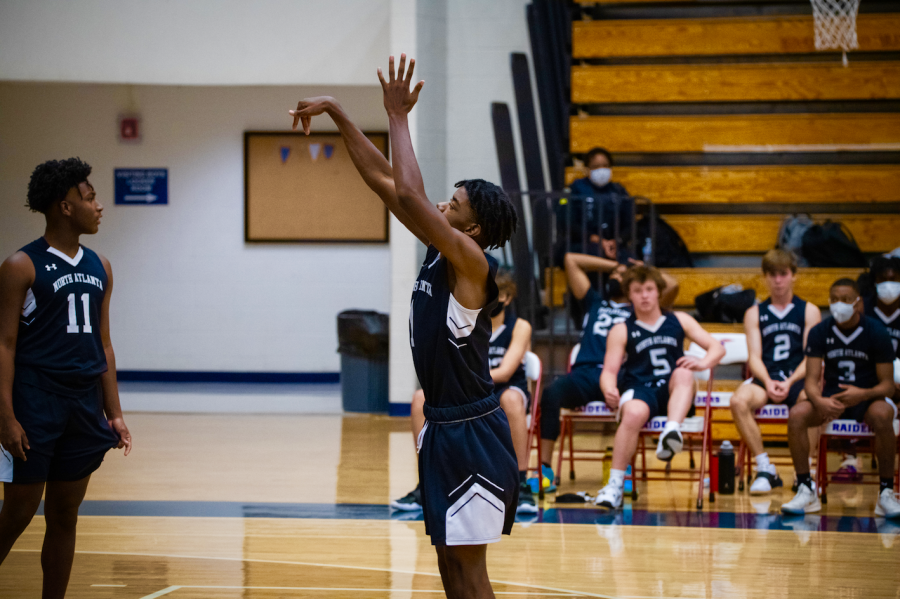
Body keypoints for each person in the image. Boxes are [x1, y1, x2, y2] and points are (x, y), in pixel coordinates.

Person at [290, 54, 520, 598]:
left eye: (456, 203)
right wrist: (342, 114)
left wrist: (397, 116)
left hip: (473, 431)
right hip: (442, 426)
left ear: (474, 227)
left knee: (469, 572)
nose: (444, 203)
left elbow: (413, 195)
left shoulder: (472, 263)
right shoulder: (441, 250)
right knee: (446, 568)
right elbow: (383, 180)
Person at [0, 158, 132, 598]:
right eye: (90, 196)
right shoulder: (21, 265)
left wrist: (114, 412)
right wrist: (6, 417)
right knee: (17, 513)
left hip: (82, 404)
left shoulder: (102, 266)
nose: (98, 206)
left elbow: (105, 344)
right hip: (34, 402)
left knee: (64, 515)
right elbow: (4, 346)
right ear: (65, 206)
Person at [391, 270, 537, 514]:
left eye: (496, 294)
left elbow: (506, 371)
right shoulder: (468, 320)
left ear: (507, 298)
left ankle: (521, 484)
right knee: (419, 399)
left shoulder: (519, 326)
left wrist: (464, 377)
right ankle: (425, 485)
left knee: (511, 400)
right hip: (470, 389)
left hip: (504, 388)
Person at [533, 253, 679, 492]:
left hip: (621, 376)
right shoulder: (595, 302)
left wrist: (639, 270)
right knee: (550, 394)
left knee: (634, 403)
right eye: (612, 275)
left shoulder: (641, 309)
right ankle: (545, 469)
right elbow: (570, 260)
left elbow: (672, 285)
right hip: (585, 374)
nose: (614, 276)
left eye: (620, 276)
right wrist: (617, 265)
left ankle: (624, 470)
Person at [593, 265, 725, 509]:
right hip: (640, 387)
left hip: (676, 390)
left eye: (649, 289)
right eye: (638, 290)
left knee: (684, 372)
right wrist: (609, 389)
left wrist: (702, 362)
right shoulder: (621, 329)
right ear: (629, 295)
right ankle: (614, 486)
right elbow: (609, 371)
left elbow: (717, 348)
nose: (644, 295)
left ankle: (670, 432)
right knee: (632, 413)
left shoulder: (679, 320)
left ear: (658, 292)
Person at [781, 279, 900, 518]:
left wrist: (862, 394)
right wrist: (820, 401)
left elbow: (888, 386)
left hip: (868, 397)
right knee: (797, 414)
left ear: (857, 303)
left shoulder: (876, 331)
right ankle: (806, 487)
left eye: (845, 299)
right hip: (832, 399)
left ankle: (886, 492)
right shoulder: (820, 332)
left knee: (883, 414)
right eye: (834, 299)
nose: (839, 304)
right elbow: (811, 381)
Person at [730, 249, 821, 494]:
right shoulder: (754, 313)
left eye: (783, 274)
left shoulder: (809, 310)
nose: (778, 280)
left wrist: (790, 381)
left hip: (797, 377)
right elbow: (755, 357)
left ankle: (806, 473)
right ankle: (765, 468)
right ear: (765, 278)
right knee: (738, 400)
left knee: (812, 402)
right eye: (772, 275)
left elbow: (811, 358)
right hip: (766, 377)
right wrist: (769, 381)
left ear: (794, 276)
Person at [554, 147, 634, 267]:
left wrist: (616, 241)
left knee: (632, 261)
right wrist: (596, 239)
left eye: (605, 165)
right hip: (581, 244)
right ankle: (615, 268)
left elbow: (629, 224)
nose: (601, 170)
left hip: (614, 246)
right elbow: (567, 222)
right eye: (596, 166)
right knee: (596, 253)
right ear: (587, 169)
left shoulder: (618, 191)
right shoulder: (575, 189)